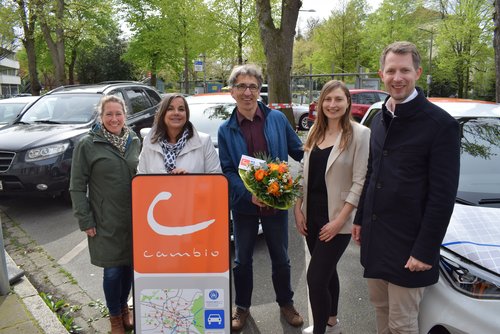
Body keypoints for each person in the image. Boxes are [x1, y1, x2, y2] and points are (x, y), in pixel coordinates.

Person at [352, 41, 460, 334]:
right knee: (381, 313)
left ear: (418, 73)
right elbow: (372, 172)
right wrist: (360, 218)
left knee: (402, 325)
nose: (397, 77)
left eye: (404, 70)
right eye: (391, 71)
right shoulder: (380, 119)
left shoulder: (440, 125)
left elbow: (443, 196)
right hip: (377, 241)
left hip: (409, 248)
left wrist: (425, 251)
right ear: (381, 74)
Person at [217, 64, 304, 331]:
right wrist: (248, 194)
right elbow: (228, 170)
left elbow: (298, 150)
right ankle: (241, 307)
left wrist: (325, 158)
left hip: (276, 204)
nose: (247, 92)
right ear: (232, 92)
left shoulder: (276, 119)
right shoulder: (226, 129)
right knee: (242, 259)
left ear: (259, 90)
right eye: (241, 86)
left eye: (252, 86)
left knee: (281, 257)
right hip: (244, 207)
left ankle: (286, 303)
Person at [295, 80, 370, 334]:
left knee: (315, 279)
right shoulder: (315, 130)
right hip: (312, 216)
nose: (332, 105)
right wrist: (297, 208)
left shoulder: (359, 134)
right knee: (326, 273)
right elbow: (304, 174)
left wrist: (340, 221)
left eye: (338, 99)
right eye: (327, 99)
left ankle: (320, 330)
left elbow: (360, 181)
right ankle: (331, 322)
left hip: (337, 219)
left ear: (347, 102)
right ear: (320, 104)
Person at [70, 95, 140, 334]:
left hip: (133, 221)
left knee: (129, 268)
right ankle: (114, 318)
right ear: (100, 117)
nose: (114, 118)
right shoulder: (87, 145)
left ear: (125, 116)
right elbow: (77, 186)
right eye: (108, 114)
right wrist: (85, 219)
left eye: (118, 113)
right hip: (105, 219)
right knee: (112, 271)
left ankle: (124, 309)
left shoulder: (134, 140)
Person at [137, 93, 221, 174]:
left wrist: (189, 180)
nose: (176, 113)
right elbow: (141, 181)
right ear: (163, 114)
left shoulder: (204, 142)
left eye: (181, 109)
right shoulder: (148, 142)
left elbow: (216, 181)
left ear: (186, 114)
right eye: (170, 109)